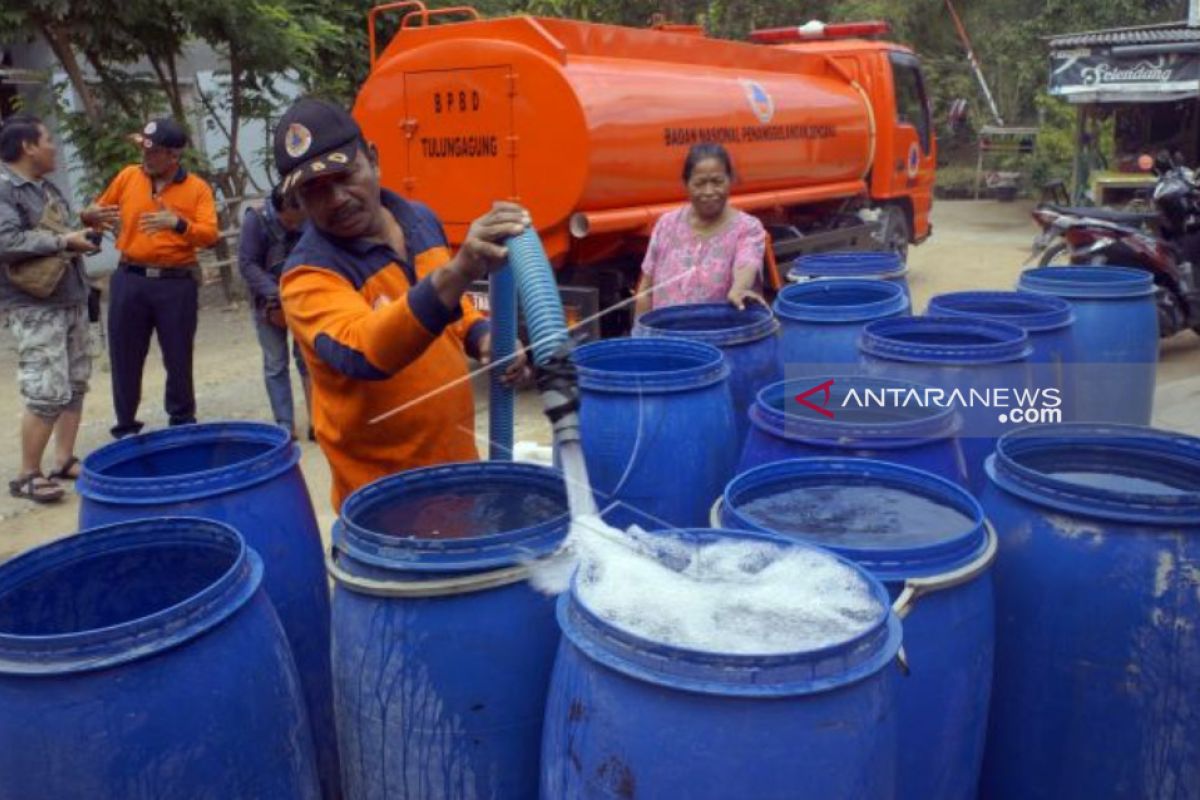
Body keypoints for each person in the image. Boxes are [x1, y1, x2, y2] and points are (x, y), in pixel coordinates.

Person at [273, 98, 530, 509]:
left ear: (373, 159)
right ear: (299, 202)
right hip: (385, 508)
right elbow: (366, 351)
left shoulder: (419, 220)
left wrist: (483, 337)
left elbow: (454, 308)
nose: (336, 198)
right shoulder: (307, 276)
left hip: (460, 475)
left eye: (344, 175)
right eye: (314, 190)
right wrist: (459, 269)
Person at [83, 118, 219, 438]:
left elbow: (210, 235)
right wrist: (88, 216)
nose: (146, 156)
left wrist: (178, 224)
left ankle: (182, 421)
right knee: (125, 355)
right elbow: (98, 212)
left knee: (178, 355)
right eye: (143, 148)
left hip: (176, 282)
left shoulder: (197, 188)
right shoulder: (129, 176)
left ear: (174, 156)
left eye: (154, 151)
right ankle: (126, 426)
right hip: (130, 278)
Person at [0, 114, 101, 502]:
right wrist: (64, 243)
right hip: (33, 305)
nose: (53, 146)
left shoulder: (44, 187)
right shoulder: (5, 189)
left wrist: (82, 226)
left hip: (69, 296)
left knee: (74, 382)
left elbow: (59, 234)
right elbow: (7, 241)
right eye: (47, 139)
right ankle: (27, 475)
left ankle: (63, 460)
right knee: (45, 389)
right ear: (27, 146)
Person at [634, 142, 767, 316]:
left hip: (717, 340)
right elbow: (645, 291)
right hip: (665, 339)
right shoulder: (666, 225)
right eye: (699, 183)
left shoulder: (748, 228)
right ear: (686, 183)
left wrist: (739, 290)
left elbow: (747, 264)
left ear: (731, 180)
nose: (709, 191)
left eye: (717, 182)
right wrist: (639, 337)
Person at [238, 185, 313, 440]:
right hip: (268, 303)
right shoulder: (255, 220)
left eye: (299, 220)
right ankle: (285, 425)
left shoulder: (309, 217)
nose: (295, 226)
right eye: (290, 220)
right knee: (275, 363)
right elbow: (247, 264)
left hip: (304, 298)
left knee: (310, 361)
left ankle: (318, 421)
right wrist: (277, 293)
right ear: (279, 209)